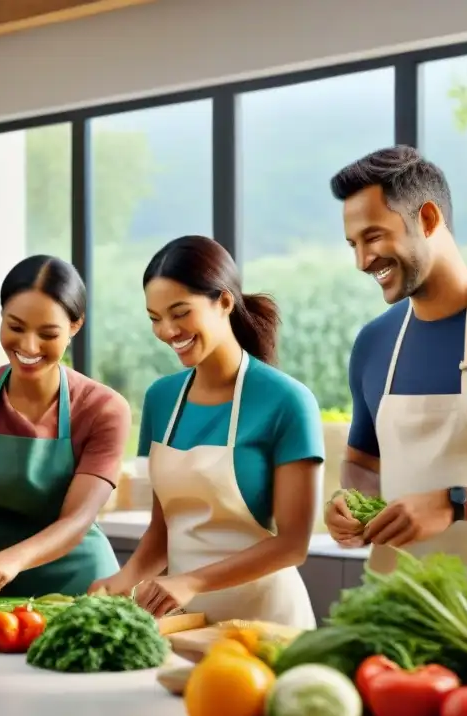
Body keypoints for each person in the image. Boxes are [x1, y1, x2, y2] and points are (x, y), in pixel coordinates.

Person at [324, 146, 467, 609]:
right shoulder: (375, 342)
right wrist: (351, 503)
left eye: (373, 236)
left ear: (429, 218)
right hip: (390, 615)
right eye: (353, 244)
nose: (362, 260)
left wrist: (453, 502)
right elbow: (363, 461)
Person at [88, 236, 322, 629]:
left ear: (225, 302)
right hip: (186, 624)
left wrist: (191, 581)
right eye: (154, 318)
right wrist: (118, 584)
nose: (166, 331)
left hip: (268, 621)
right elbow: (162, 536)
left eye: (180, 312)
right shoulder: (162, 400)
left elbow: (293, 546)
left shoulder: (287, 402)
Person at [0, 255, 129, 602]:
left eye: (48, 334)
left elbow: (77, 520)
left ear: (75, 327)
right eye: (15, 327)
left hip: (81, 586)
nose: (29, 346)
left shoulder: (103, 408)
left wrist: (14, 559)